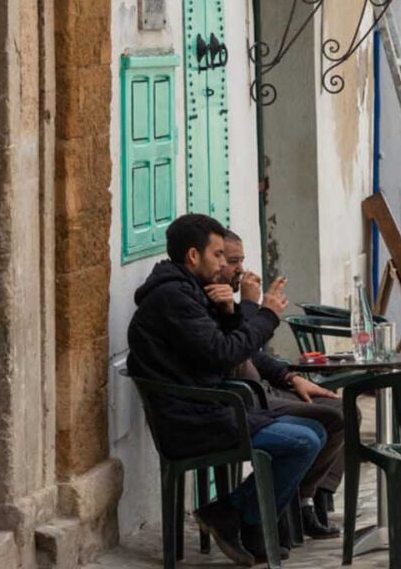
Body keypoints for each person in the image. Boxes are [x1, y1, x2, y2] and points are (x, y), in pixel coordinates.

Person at [127, 213, 320, 566]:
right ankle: (234, 515)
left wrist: (230, 311)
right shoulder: (174, 298)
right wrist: (266, 316)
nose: (222, 265)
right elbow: (224, 354)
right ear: (192, 256)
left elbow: (219, 350)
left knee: (314, 431)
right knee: (304, 440)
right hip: (192, 421)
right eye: (218, 255)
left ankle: (241, 520)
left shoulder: (186, 292)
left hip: (210, 410)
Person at [217, 231, 343, 541]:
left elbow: (255, 353)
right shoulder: (212, 301)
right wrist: (254, 308)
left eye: (240, 261)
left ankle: (308, 499)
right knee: (322, 424)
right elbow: (240, 348)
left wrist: (291, 377)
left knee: (339, 409)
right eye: (231, 261)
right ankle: (283, 507)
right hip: (245, 400)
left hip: (262, 389)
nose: (241, 270)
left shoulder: (224, 301)